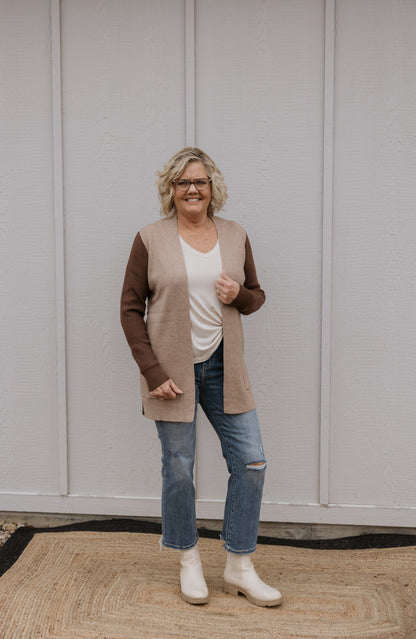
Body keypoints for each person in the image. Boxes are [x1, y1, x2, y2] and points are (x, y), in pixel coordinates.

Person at [120, 147, 282, 607]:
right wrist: (152, 372)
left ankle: (239, 565)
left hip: (223, 366)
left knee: (251, 462)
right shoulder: (149, 239)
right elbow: (130, 310)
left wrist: (239, 295)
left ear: (213, 189)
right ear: (170, 190)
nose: (192, 189)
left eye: (201, 182)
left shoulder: (235, 235)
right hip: (171, 372)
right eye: (183, 182)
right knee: (179, 468)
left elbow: (256, 296)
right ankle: (187, 557)